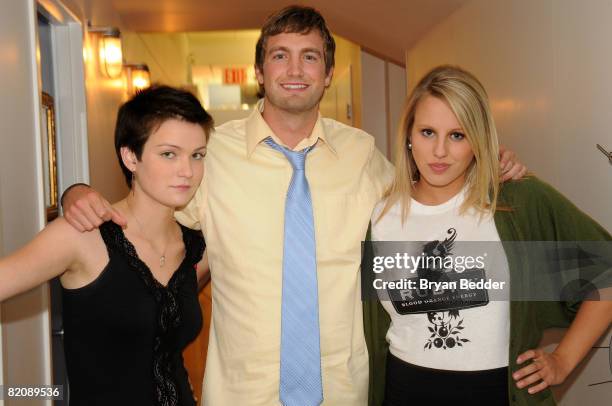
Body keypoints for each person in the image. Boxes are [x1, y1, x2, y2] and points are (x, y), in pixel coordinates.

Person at [60, 6, 526, 405]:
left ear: (327, 75)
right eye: (279, 56)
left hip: (346, 391)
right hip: (242, 394)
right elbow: (144, 213)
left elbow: (426, 201)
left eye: (310, 57)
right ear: (260, 73)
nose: (295, 69)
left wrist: (488, 165)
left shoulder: (363, 155)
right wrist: (77, 193)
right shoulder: (211, 154)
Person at [363, 65, 612, 405]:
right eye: (427, 132)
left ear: (477, 140)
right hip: (405, 390)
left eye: (457, 135)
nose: (439, 151)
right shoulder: (381, 217)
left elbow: (607, 270)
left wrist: (563, 360)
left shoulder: (516, 201)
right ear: (408, 135)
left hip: (497, 394)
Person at [0, 85, 213, 405]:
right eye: (169, 154)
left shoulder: (197, 246)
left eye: (197, 155)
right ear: (131, 157)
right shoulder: (83, 236)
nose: (188, 171)